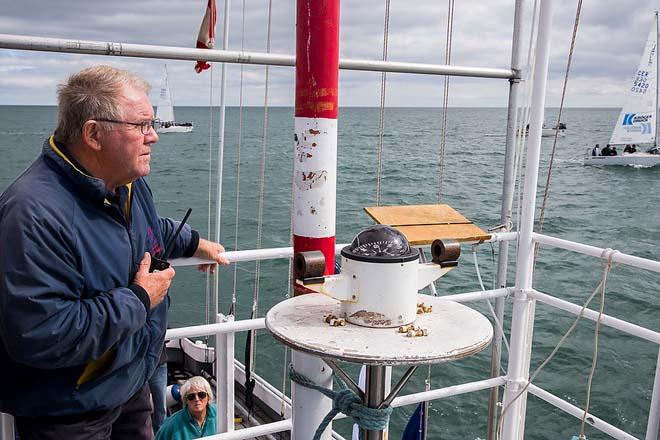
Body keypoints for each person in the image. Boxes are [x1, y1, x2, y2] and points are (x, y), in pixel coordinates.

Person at [0, 65, 229, 440]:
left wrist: (194, 242)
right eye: (141, 125)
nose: (153, 136)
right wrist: (139, 300)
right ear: (93, 134)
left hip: (129, 382)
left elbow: (148, 232)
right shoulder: (31, 214)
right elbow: (39, 334)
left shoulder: (125, 185)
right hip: (70, 411)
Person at [149, 345, 169, 434]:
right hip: (136, 365)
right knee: (135, 406)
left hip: (159, 365)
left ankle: (161, 435)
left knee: (161, 408)